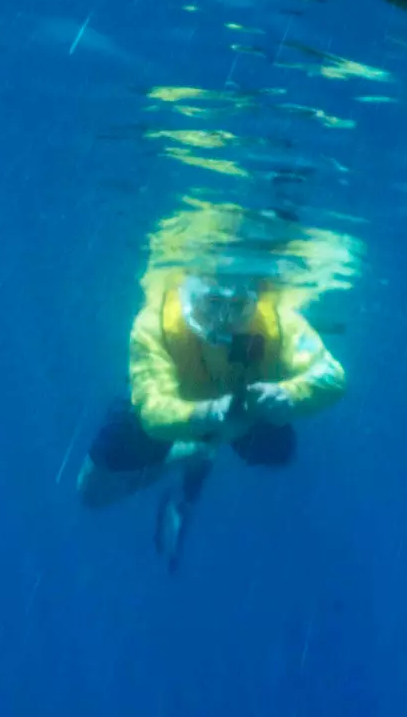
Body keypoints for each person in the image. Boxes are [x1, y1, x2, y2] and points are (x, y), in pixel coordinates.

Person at [77, 203, 350, 571]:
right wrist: (201, 416)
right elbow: (152, 409)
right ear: (190, 290)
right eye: (212, 304)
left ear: (254, 298)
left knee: (278, 452)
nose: (224, 321)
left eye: (238, 307)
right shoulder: (154, 324)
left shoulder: (277, 322)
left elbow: (330, 375)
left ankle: (199, 457)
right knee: (91, 493)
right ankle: (189, 456)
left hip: (243, 410)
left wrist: (289, 395)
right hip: (182, 415)